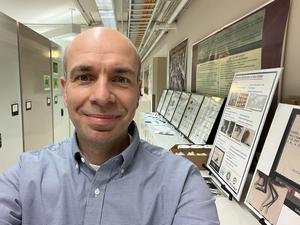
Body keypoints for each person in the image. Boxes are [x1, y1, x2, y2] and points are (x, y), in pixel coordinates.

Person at [0, 27, 219, 225]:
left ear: (137, 92)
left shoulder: (182, 184)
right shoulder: (24, 176)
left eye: (120, 79)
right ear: (65, 91)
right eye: (85, 77)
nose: (102, 97)